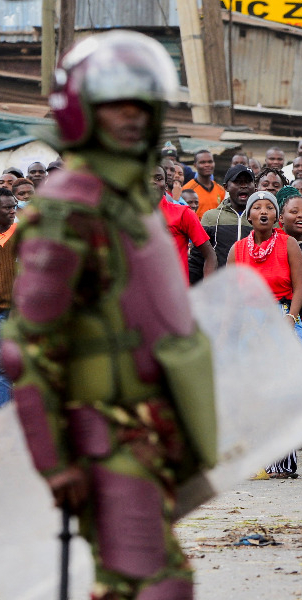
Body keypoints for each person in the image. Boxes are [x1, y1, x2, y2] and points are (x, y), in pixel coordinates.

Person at [3, 31, 216, 597]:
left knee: (132, 582)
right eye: (116, 106)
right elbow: (26, 350)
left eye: (142, 107)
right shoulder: (67, 211)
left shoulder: (123, 202)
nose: (133, 119)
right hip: (105, 435)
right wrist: (55, 464)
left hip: (150, 430)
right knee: (154, 582)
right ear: (82, 112)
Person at [231, 191, 302, 481]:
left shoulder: (288, 243)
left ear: (275, 216)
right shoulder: (237, 250)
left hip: (283, 316)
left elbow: (299, 287)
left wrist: (290, 317)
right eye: (257, 207)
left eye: (269, 206)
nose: (264, 211)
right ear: (249, 215)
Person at [192, 164, 255, 283]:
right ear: (226, 187)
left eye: (248, 182)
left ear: (255, 187)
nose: (244, 186)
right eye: (237, 182)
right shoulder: (211, 217)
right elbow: (197, 258)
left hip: (252, 291)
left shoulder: (262, 218)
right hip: (220, 290)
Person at [156, 164, 216, 283]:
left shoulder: (183, 213)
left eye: (158, 179)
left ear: (166, 185)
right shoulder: (129, 216)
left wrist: (208, 289)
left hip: (175, 293)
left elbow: (210, 255)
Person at [0, 188, 15, 405]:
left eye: (14, 206)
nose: (13, 210)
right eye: (7, 207)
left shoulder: (22, 234)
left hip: (20, 312)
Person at [185, 149, 226, 218]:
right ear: (195, 165)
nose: (207, 165)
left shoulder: (221, 190)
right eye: (202, 162)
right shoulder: (187, 189)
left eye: (210, 162)